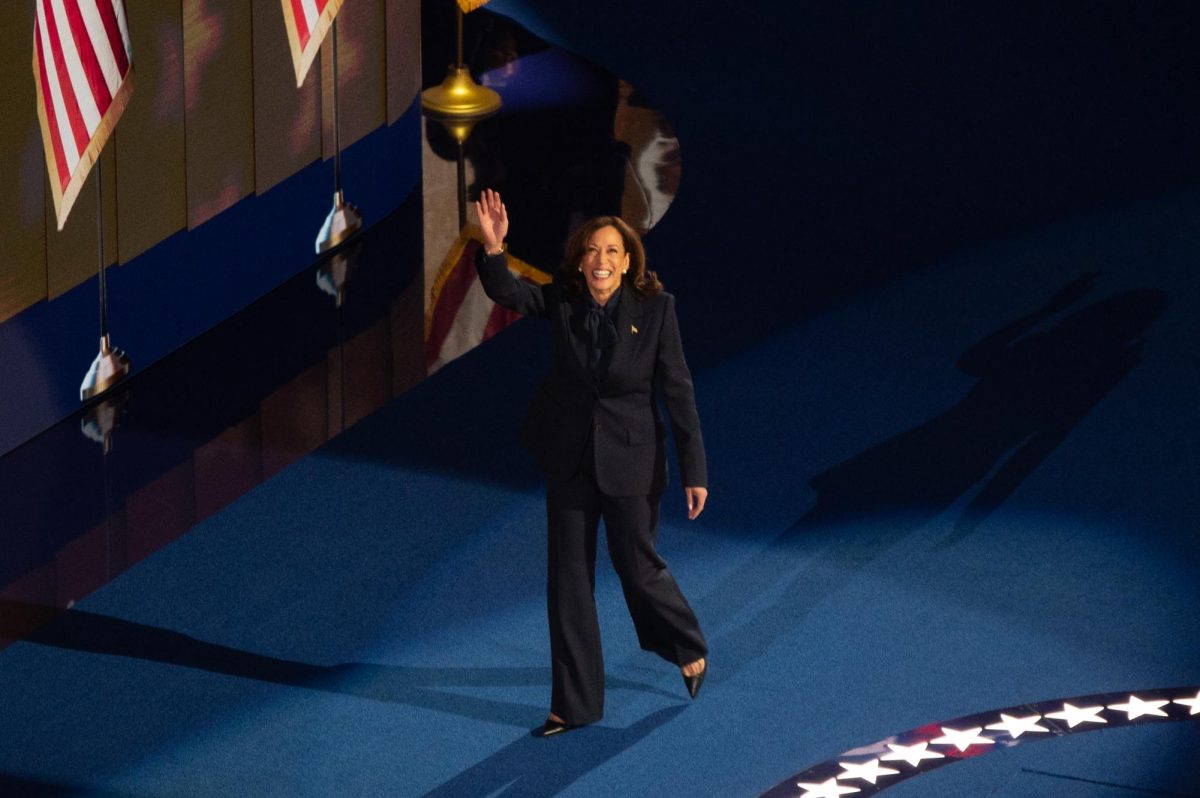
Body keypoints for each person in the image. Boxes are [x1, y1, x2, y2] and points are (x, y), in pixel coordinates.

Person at [473, 188, 709, 737]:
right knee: (569, 580)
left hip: (631, 458)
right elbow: (511, 292)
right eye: (591, 252)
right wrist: (493, 249)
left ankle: (684, 642)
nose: (600, 261)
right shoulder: (565, 300)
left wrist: (694, 469)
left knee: (637, 566)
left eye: (611, 252)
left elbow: (678, 393)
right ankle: (573, 705)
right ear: (581, 261)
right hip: (572, 457)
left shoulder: (656, 311)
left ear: (628, 263)